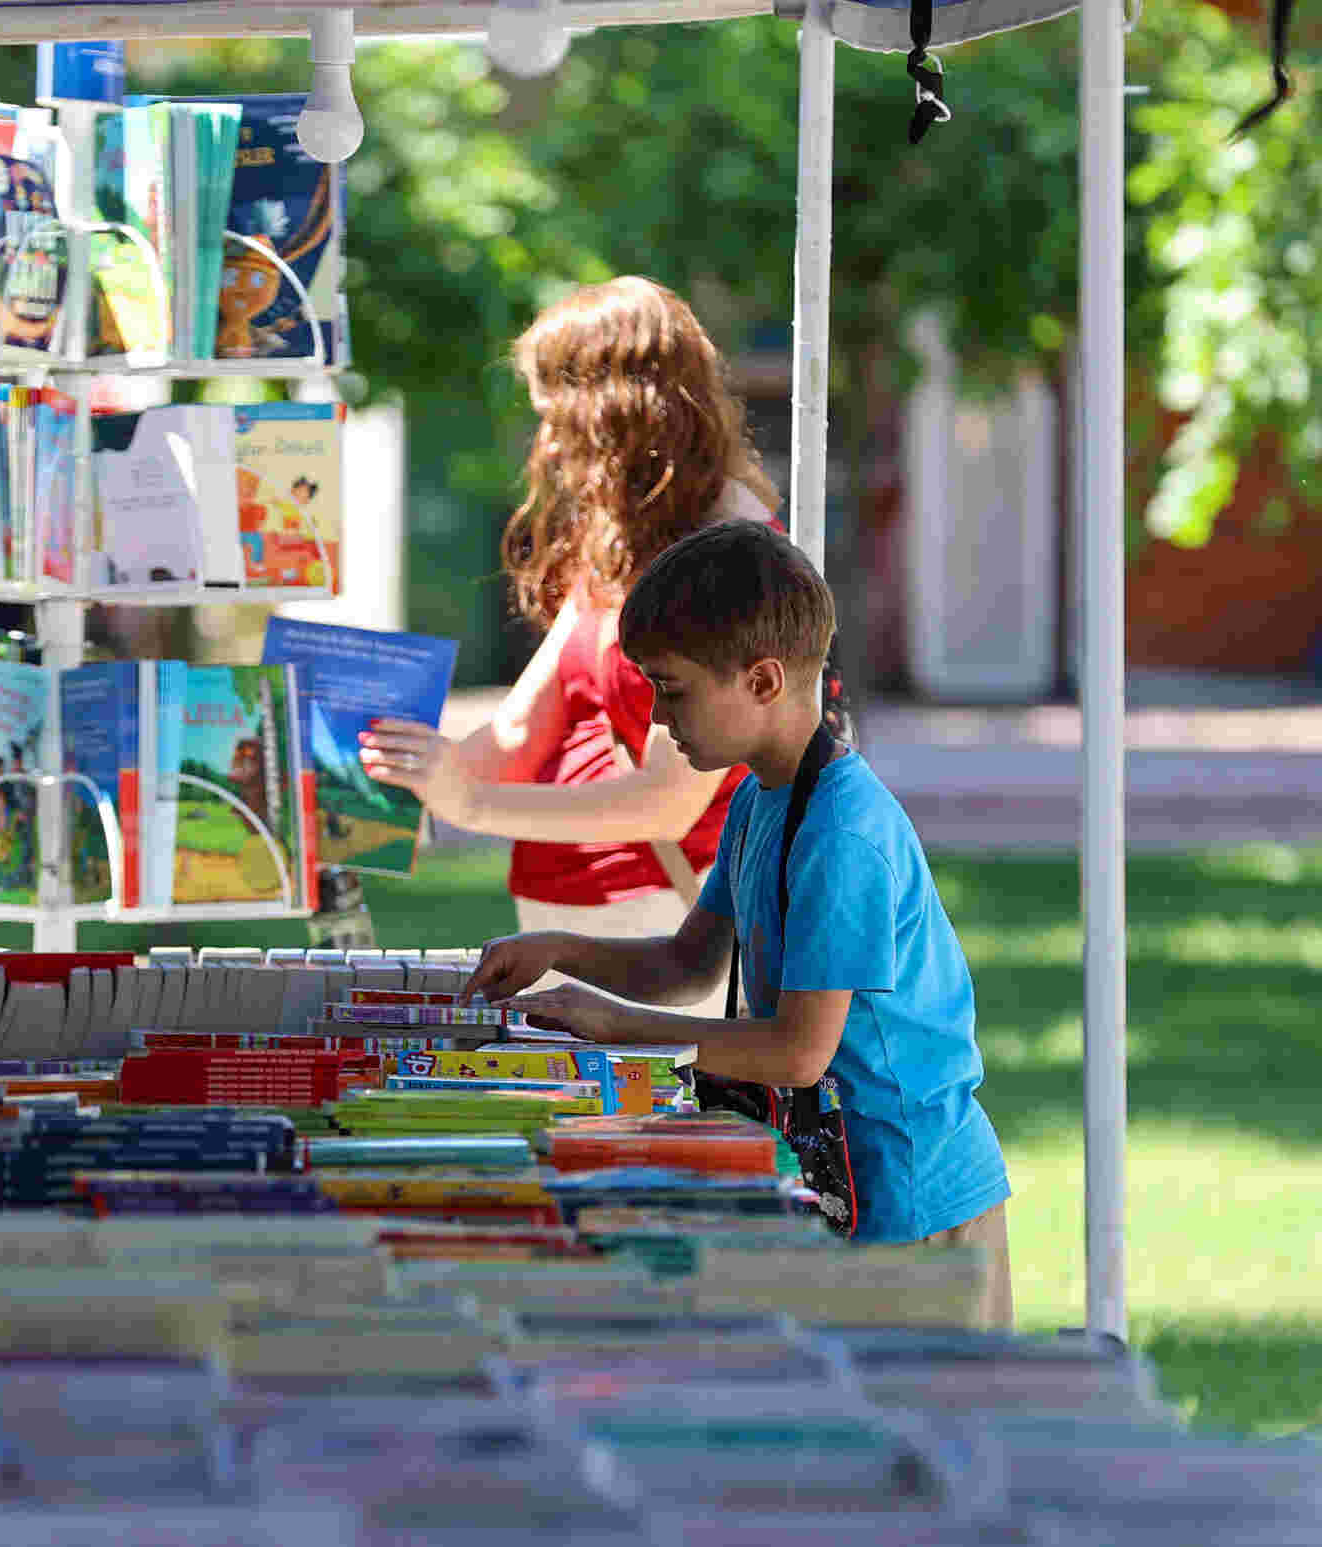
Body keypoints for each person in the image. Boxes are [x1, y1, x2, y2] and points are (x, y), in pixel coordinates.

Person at [466, 521, 1012, 1321]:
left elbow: (796, 1052)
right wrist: (558, 952)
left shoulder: (841, 835)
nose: (658, 718)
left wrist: (614, 1025)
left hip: (911, 1198)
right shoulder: (762, 797)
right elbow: (688, 964)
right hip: (838, 1177)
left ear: (761, 681)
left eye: (673, 689)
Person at [356, 276, 781, 1009]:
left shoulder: (730, 559)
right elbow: (524, 725)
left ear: (615, 414)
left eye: (559, 415)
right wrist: (380, 788)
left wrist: (469, 806)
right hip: (560, 910)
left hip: (666, 931)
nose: (547, 443)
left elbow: (666, 800)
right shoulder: (616, 545)